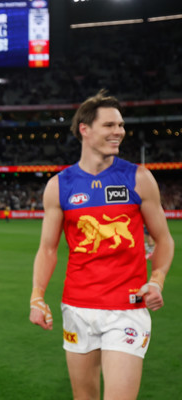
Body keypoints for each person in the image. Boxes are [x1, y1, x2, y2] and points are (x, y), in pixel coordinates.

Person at [29, 89, 174, 400]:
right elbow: (48, 249)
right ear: (85, 128)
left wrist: (157, 280)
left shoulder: (138, 178)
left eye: (120, 125)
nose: (119, 131)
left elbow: (163, 239)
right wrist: (37, 297)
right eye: (109, 125)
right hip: (77, 308)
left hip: (127, 309)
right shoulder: (59, 186)